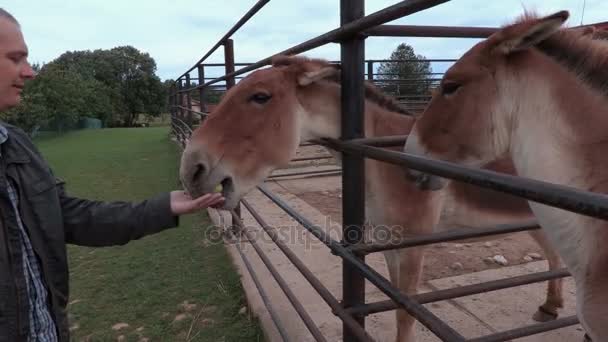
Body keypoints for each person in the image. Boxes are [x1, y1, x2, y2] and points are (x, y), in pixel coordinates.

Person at [0, 8, 225, 341]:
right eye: (15, 58)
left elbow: (68, 216)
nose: (30, 72)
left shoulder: (17, 145)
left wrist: (164, 207)